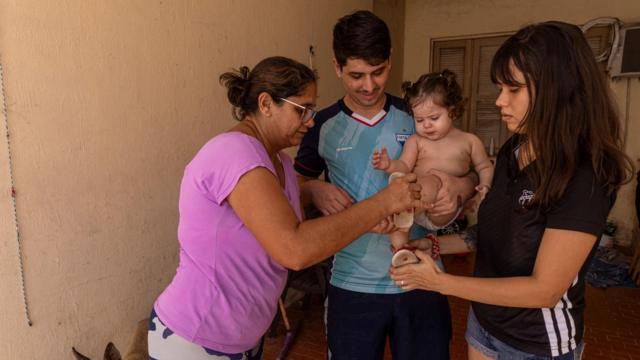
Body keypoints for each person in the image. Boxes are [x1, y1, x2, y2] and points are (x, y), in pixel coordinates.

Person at [148, 56, 426, 360]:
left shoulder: (277, 159)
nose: (310, 120)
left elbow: (280, 217)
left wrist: (318, 194)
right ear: (266, 104)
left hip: (240, 336)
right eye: (302, 109)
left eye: (313, 110)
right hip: (197, 335)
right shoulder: (234, 152)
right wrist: (384, 202)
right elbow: (294, 248)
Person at [390, 21, 634, 359]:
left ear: (556, 88)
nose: (499, 101)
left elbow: (544, 290)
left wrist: (438, 282)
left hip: (536, 342)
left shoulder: (585, 174)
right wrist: (433, 244)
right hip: (485, 322)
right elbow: (495, 231)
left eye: (514, 89)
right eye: (500, 87)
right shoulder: (514, 150)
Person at [295, 10, 477, 359]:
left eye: (378, 72)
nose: (369, 85)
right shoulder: (322, 125)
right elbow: (296, 182)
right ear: (336, 66)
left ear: (391, 59)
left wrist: (463, 185)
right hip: (352, 283)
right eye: (357, 75)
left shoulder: (418, 114)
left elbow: (465, 162)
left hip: (423, 276)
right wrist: (314, 188)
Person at [372, 70, 493, 265]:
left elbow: (485, 167)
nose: (426, 125)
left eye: (434, 118)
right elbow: (404, 165)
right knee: (403, 208)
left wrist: (483, 188)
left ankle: (396, 209)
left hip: (443, 209)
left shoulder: (470, 141)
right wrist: (389, 165)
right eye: (419, 120)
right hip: (415, 204)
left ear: (452, 111)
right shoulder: (416, 141)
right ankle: (401, 251)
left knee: (434, 180)